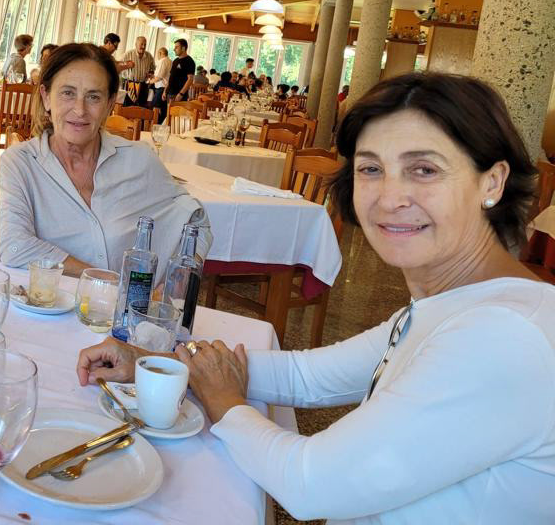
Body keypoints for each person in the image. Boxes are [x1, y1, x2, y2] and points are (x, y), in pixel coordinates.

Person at [77, 72, 555, 523]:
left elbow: (309, 483)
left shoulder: (505, 335)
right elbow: (307, 377)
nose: (390, 197)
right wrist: (154, 363)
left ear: (492, 182)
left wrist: (224, 401)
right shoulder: (458, 304)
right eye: (372, 169)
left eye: (424, 170)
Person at [0, 43, 211, 277]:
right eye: (68, 93)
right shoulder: (21, 163)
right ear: (46, 97)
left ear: (109, 104)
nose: (80, 110)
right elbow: (14, 247)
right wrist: (106, 282)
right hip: (47, 300)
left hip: (125, 302)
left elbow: (197, 223)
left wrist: (176, 280)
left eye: (93, 97)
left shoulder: (138, 159)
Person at [166, 38, 196, 104]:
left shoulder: (189, 61)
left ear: (183, 48)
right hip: (170, 93)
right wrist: (165, 90)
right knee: (168, 111)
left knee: (177, 111)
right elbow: (171, 76)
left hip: (179, 95)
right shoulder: (175, 60)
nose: (174, 49)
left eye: (176, 47)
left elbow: (190, 79)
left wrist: (181, 94)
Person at [149, 46, 171, 114]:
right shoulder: (170, 61)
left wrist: (150, 81)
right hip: (166, 88)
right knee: (163, 108)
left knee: (154, 107)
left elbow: (159, 77)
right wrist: (153, 76)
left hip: (161, 87)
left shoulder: (163, 61)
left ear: (160, 53)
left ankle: (154, 120)